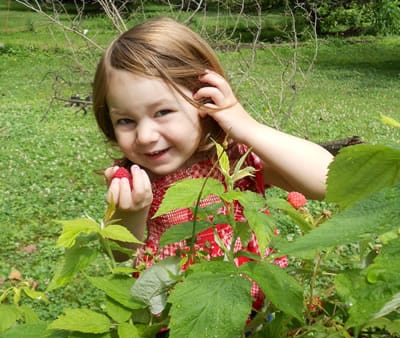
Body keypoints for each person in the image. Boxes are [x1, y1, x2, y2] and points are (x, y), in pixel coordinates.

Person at [92, 17, 333, 300]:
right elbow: (119, 253)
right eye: (125, 120)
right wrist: (132, 212)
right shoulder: (135, 179)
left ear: (204, 101)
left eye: (162, 112)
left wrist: (248, 127)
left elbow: (326, 181)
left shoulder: (235, 161)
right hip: (172, 322)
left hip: (254, 317)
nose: (144, 135)